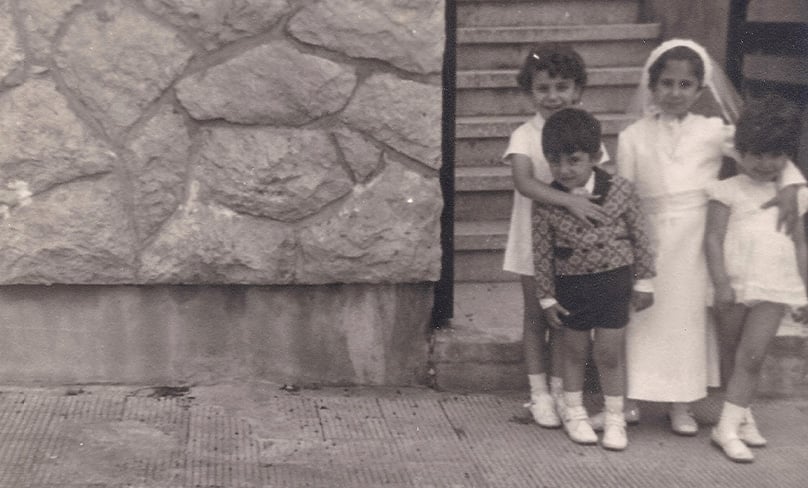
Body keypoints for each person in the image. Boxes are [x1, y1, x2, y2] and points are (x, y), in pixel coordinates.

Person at [616, 39, 805, 436]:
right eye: (666, 83)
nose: (674, 93)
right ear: (651, 86)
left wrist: (790, 185)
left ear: (700, 90)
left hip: (696, 236)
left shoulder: (713, 130)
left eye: (685, 85)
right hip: (649, 234)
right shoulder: (632, 136)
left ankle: (681, 404)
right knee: (644, 318)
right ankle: (632, 399)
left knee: (686, 319)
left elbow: (763, 151)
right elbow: (626, 195)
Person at [501, 44, 611, 428]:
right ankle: (539, 396)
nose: (553, 96)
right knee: (536, 316)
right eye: (543, 88)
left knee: (567, 318)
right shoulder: (524, 135)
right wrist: (569, 202)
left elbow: (602, 180)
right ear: (530, 92)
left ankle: (566, 393)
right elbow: (524, 182)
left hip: (574, 245)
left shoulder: (585, 132)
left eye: (562, 87)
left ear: (578, 90)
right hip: (532, 240)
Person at [532, 108, 655, 450]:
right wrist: (546, 296)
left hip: (615, 284)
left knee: (610, 353)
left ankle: (615, 417)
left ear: (595, 156)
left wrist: (645, 281)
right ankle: (574, 412)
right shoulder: (547, 202)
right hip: (572, 286)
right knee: (573, 352)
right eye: (554, 161)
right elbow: (541, 252)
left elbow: (640, 237)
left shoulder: (620, 190)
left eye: (573, 160)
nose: (564, 170)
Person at [705, 95, 808, 463]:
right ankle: (740, 415)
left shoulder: (795, 196)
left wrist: (805, 293)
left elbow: (800, 245)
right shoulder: (727, 190)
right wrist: (721, 283)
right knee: (734, 354)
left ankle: (726, 428)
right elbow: (713, 239)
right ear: (740, 152)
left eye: (776, 155)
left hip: (775, 286)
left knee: (753, 355)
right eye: (757, 155)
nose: (766, 164)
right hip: (734, 284)